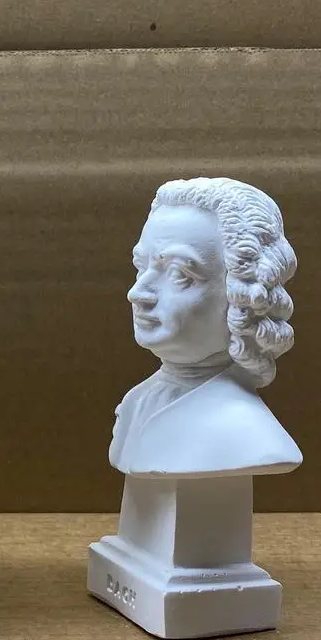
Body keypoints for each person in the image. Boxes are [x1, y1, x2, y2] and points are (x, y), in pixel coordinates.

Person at [110, 176, 301, 476]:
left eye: (179, 275)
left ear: (242, 295)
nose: (137, 293)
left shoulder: (243, 429)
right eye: (141, 267)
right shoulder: (136, 403)